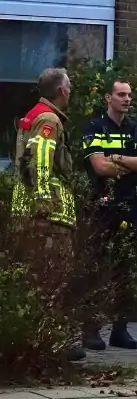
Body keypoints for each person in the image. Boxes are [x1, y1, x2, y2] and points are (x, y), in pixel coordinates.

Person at [9, 67, 85, 362]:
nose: (71, 90)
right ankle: (51, 344)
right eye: (69, 86)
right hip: (48, 215)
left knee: (35, 276)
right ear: (62, 90)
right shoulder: (50, 120)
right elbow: (40, 158)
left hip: (30, 209)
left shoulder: (35, 114)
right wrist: (43, 200)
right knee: (51, 276)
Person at [80, 78, 137, 351]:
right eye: (121, 94)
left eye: (129, 94)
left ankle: (120, 330)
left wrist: (119, 159)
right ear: (107, 98)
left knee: (125, 268)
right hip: (100, 205)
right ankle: (90, 330)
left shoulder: (135, 128)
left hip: (129, 204)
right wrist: (130, 162)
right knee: (96, 267)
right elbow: (99, 167)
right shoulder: (95, 126)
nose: (127, 99)